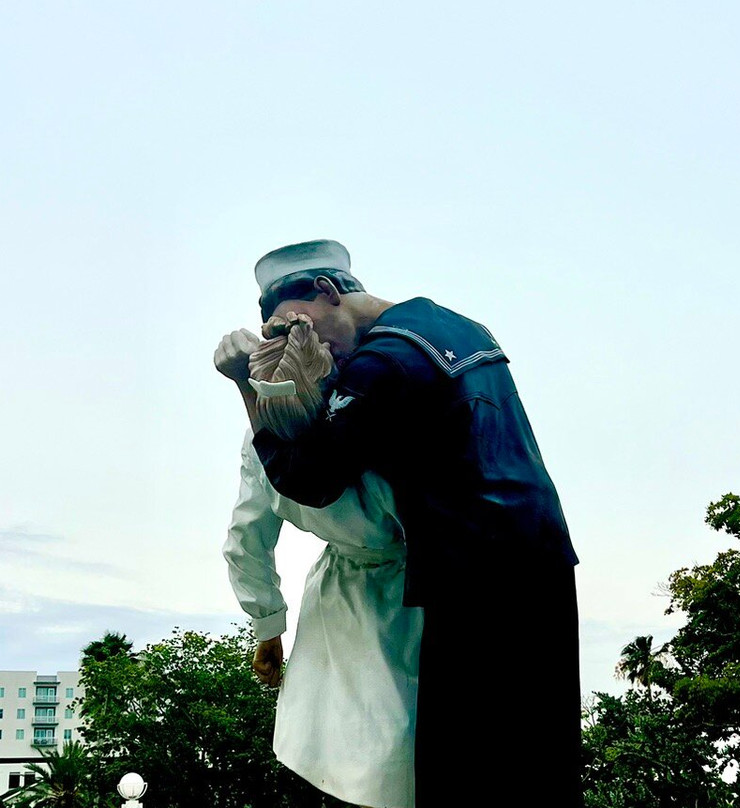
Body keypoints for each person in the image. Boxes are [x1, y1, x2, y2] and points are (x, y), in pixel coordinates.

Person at [219, 239, 583, 806]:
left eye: (299, 326)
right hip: (541, 559)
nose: (313, 347)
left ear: (328, 292)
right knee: (537, 759)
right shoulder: (456, 327)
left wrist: (248, 384)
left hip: (472, 579)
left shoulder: (385, 363)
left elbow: (312, 479)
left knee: (459, 770)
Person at [219, 319, 423, 808]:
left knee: (342, 749)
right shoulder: (375, 422)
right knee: (394, 753)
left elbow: (246, 538)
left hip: (355, 598)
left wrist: (268, 627)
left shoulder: (260, 443)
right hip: (408, 592)